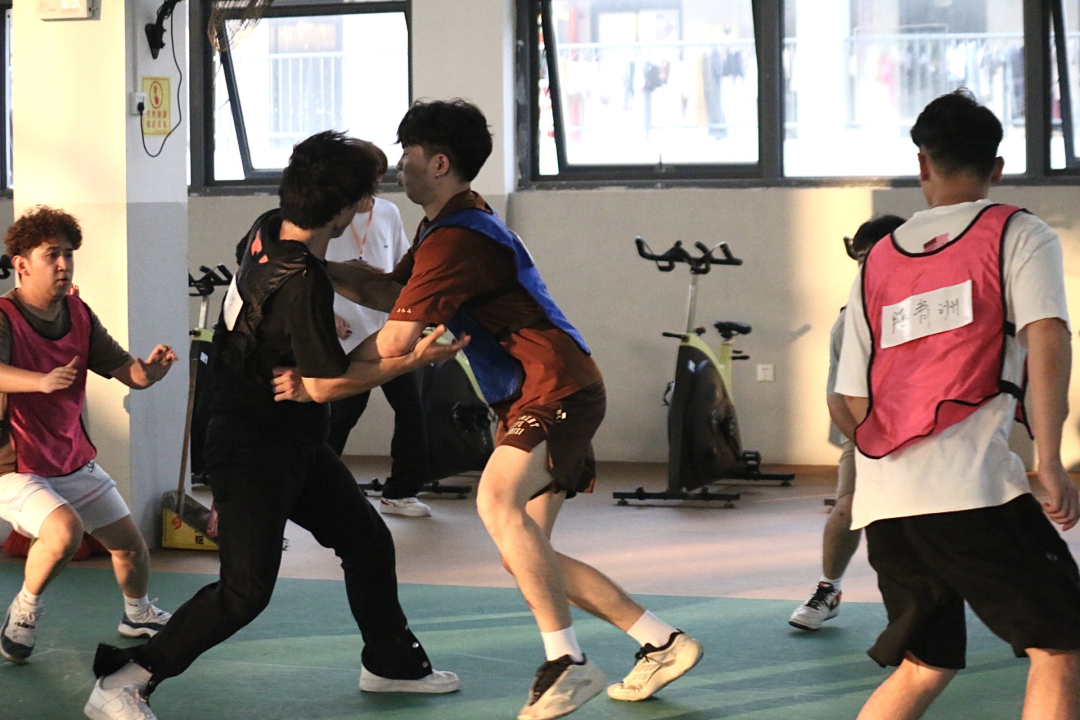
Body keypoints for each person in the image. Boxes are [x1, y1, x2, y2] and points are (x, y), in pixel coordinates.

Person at [330, 99, 703, 720]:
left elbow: (395, 340)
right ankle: (661, 642)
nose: (399, 165)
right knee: (525, 553)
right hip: (538, 390)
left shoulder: (456, 237)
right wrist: (309, 264)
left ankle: (567, 663)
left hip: (555, 387)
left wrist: (322, 374)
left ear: (439, 163)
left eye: (407, 153)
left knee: (495, 502)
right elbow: (388, 290)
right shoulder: (446, 225)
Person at [84, 131, 467, 720]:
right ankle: (125, 679)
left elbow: (295, 301)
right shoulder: (303, 285)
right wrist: (412, 360)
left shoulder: (266, 229)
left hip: (293, 439)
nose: (367, 204)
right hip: (253, 447)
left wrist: (335, 280)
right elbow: (326, 383)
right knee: (245, 590)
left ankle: (392, 663)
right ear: (342, 208)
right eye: (363, 196)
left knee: (367, 542)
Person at [836, 89, 1080, 719]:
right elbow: (1047, 338)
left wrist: (891, 466)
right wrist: (1050, 460)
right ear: (997, 167)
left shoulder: (878, 259)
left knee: (927, 664)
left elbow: (849, 400)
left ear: (922, 164)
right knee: (1061, 646)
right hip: (971, 489)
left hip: (886, 502)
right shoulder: (1018, 232)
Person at [0, 206, 177, 665]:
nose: (63, 265)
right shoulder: (4, 315)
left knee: (130, 546)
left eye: (68, 254)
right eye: (51, 255)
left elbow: (127, 370)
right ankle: (24, 611)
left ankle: (137, 614)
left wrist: (149, 372)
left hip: (70, 458)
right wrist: (39, 381)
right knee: (64, 534)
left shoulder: (78, 313)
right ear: (21, 264)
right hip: (15, 466)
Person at [789, 214, 904, 632]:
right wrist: (865, 442)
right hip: (867, 432)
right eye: (861, 259)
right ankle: (829, 589)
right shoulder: (849, 320)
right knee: (848, 507)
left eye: (877, 255)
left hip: (928, 433)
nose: (868, 266)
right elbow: (836, 394)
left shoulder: (922, 308)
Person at [325, 140, 432, 518]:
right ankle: (316, 486)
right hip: (347, 335)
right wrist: (325, 314)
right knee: (342, 415)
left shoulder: (388, 212)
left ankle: (401, 492)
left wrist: (413, 318)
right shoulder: (328, 216)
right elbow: (310, 271)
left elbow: (403, 266)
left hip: (389, 331)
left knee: (412, 412)